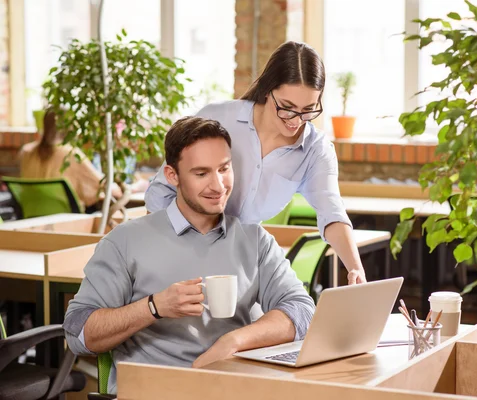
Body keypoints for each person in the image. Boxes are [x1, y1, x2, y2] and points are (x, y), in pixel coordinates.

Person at [63, 117, 315, 394]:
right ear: (173, 176)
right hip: (156, 392)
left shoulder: (254, 239)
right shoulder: (124, 241)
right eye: (201, 173)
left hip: (233, 389)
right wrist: (153, 307)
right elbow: (78, 333)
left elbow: (302, 311)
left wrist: (233, 341)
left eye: (224, 169)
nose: (218, 186)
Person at [145, 41, 367, 285]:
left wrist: (355, 267)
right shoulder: (218, 118)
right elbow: (160, 192)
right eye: (287, 107)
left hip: (240, 265)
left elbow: (331, 212)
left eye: (308, 110)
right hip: (179, 255)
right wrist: (173, 251)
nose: (296, 120)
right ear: (267, 90)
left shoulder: (314, 150)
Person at [19, 108, 123, 210]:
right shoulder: (70, 155)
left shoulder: (26, 152)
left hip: (31, 217)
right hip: (67, 219)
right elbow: (104, 188)